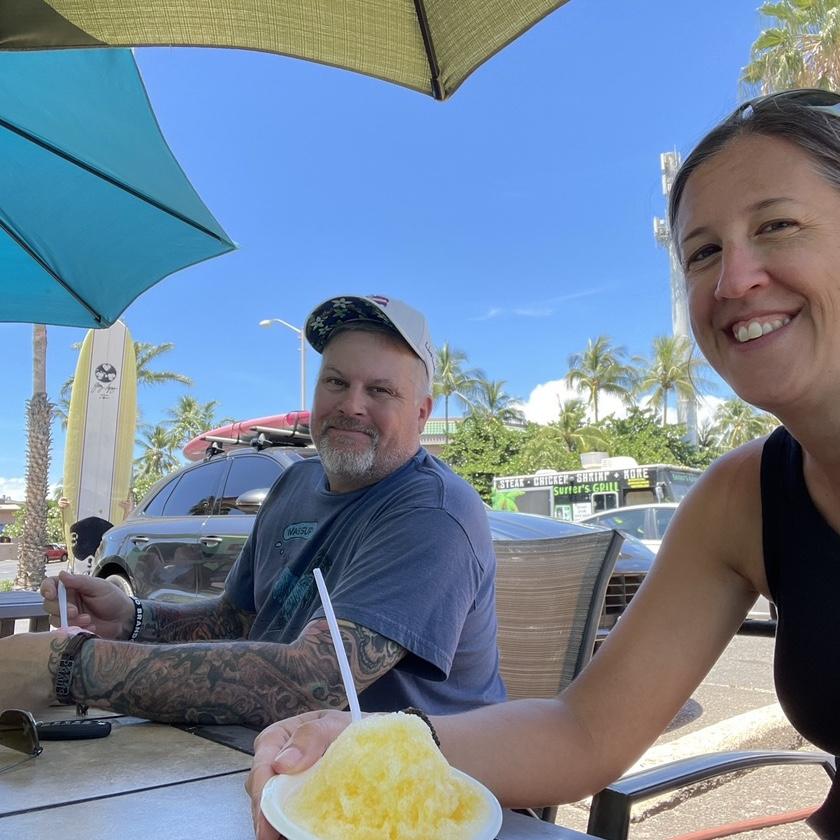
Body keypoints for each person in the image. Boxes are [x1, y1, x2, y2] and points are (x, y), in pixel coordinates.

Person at [246, 90, 840, 840]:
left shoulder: (429, 510)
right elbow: (584, 730)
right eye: (703, 252)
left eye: (777, 225)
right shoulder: (743, 498)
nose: (732, 281)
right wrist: (371, 744)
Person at [1, 294, 505, 727]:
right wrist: (132, 618)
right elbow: (237, 621)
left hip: (419, 794)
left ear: (422, 411)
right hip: (270, 760)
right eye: (335, 381)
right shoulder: (295, 482)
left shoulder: (432, 512)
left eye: (380, 390)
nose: (351, 404)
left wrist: (67, 668)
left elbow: (317, 680)